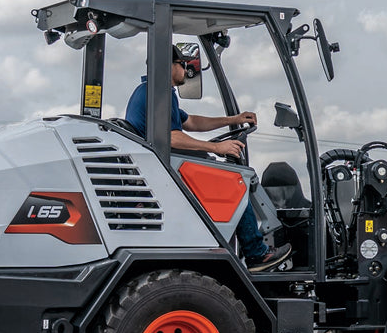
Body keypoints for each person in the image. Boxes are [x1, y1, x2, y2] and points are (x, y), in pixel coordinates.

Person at [125, 45, 292, 272]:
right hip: (163, 174)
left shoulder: (153, 91)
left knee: (227, 176)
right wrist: (217, 147)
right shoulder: (156, 93)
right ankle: (256, 254)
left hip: (159, 171)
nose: (185, 69)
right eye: (181, 64)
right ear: (169, 66)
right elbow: (171, 138)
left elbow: (191, 122)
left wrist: (233, 119)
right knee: (235, 182)